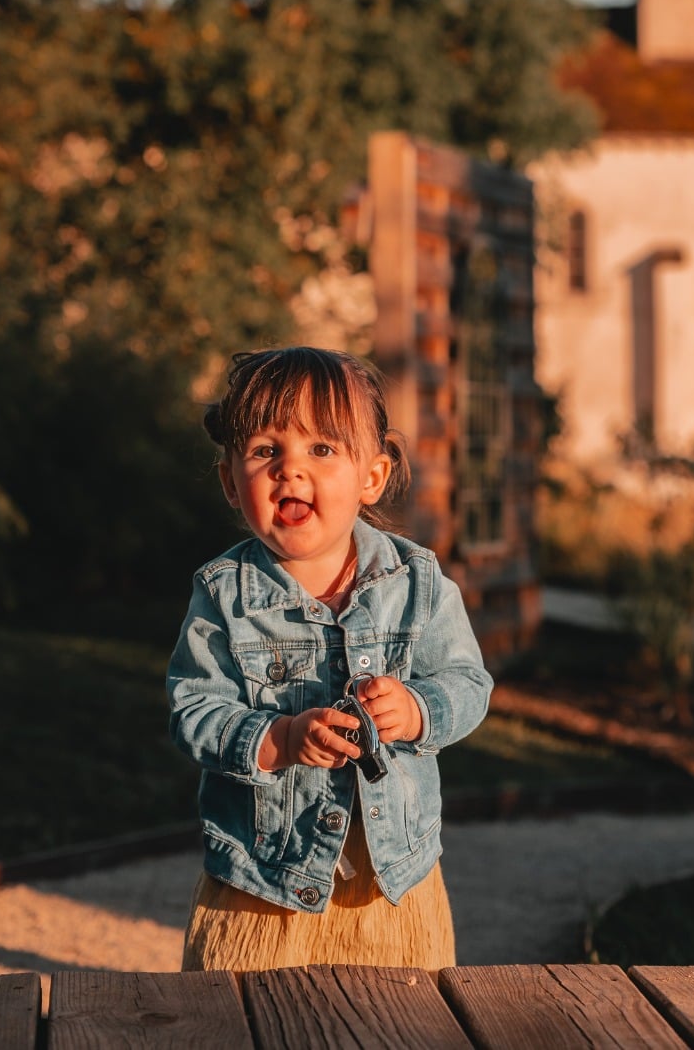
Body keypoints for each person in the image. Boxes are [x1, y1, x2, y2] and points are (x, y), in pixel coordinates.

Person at [167, 345, 493, 974]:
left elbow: (467, 682)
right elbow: (193, 710)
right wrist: (280, 737)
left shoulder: (416, 582)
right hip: (260, 891)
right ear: (232, 481)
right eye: (266, 451)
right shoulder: (223, 593)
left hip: (392, 886)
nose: (291, 471)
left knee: (400, 1025)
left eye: (321, 449)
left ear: (371, 476)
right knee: (244, 1024)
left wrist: (420, 708)